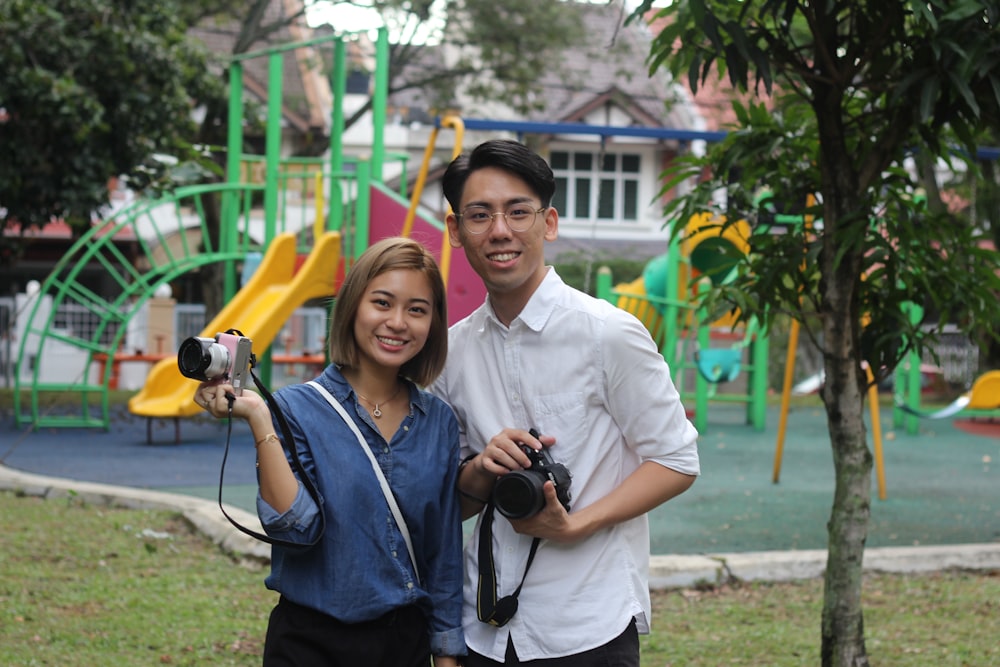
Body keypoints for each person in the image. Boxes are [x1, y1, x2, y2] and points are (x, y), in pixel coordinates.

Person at [429, 139, 700, 665]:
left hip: (586, 624)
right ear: (456, 232)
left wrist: (575, 524)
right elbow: (453, 504)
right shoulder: (452, 351)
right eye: (479, 215)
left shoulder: (609, 334)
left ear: (548, 223)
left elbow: (676, 460)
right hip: (481, 622)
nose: (500, 230)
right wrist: (482, 470)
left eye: (518, 212)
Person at [193, 236, 465, 666]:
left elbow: (443, 551)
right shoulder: (296, 408)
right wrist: (261, 419)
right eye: (382, 302)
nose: (398, 322)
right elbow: (295, 530)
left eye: (417, 309)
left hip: (403, 644)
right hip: (310, 643)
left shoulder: (439, 423)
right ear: (353, 306)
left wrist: (447, 655)